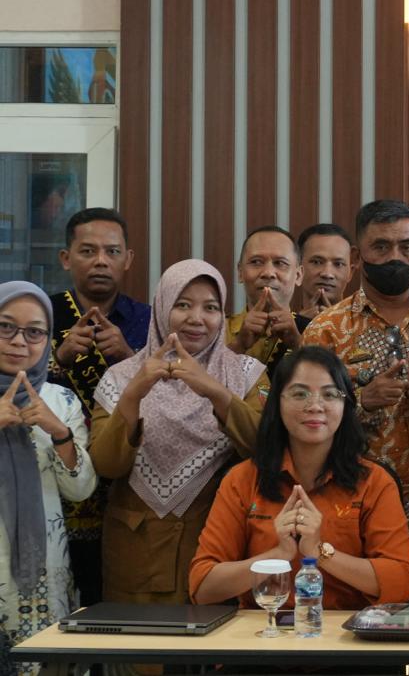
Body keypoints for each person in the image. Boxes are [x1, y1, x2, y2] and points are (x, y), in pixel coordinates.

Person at [301, 199, 409, 606]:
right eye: (381, 247)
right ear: (359, 256)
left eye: (406, 246)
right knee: (365, 637)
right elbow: (304, 415)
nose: (395, 257)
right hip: (358, 517)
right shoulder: (327, 328)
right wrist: (362, 402)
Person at [89, 260, 267, 604]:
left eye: (210, 307)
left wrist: (214, 390)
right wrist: (134, 394)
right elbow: (106, 466)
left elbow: (265, 448)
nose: (196, 318)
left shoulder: (246, 374)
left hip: (219, 551)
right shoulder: (120, 377)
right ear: (161, 307)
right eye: (182, 305)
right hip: (137, 557)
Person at [189, 346, 409, 609]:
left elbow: (403, 582)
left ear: (345, 405)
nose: (315, 406)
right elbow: (202, 586)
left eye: (330, 394)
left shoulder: (374, 482)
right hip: (264, 628)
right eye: (300, 394)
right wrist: (278, 556)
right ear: (277, 403)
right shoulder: (242, 480)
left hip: (346, 629)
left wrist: (319, 551)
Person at [48, 207, 149, 607]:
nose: (101, 261)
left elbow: (169, 395)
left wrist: (128, 356)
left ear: (128, 259)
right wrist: (59, 359)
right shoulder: (42, 314)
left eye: (112, 251)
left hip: (126, 485)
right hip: (55, 482)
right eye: (88, 251)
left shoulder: (148, 320)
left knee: (114, 597)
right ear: (66, 257)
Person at [0, 284, 97, 670]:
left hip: (45, 572)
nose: (19, 341)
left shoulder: (61, 401)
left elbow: (80, 490)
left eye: (34, 331)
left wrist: (59, 432)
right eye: (6, 327)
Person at [226, 226, 309, 381]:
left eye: (280, 263)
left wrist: (297, 344)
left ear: (298, 275)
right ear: (240, 272)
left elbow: (337, 389)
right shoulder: (215, 331)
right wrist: (239, 345)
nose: (268, 273)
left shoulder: (318, 330)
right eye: (256, 262)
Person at [296, 223, 354, 320]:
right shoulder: (281, 326)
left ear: (350, 273)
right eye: (317, 262)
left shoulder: (365, 326)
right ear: (298, 270)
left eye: (338, 264)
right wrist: (300, 324)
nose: (327, 274)